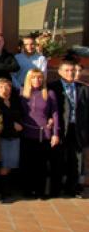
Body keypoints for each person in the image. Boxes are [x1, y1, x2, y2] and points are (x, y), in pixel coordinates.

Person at [47, 60, 88, 198]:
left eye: (73, 70)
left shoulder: (84, 88)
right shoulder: (52, 87)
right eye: (67, 70)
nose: (70, 73)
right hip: (60, 129)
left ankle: (72, 188)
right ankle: (56, 189)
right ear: (59, 72)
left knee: (76, 160)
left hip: (77, 129)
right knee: (57, 159)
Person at [19, 71, 60, 198]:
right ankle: (28, 190)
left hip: (44, 134)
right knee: (28, 164)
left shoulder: (49, 93)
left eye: (40, 78)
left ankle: (42, 191)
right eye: (34, 78)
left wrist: (55, 133)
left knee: (43, 165)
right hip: (27, 132)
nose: (37, 80)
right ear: (28, 79)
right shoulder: (21, 93)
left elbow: (55, 114)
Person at [0, 78, 24, 200]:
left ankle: (7, 188)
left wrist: (19, 124)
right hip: (2, 137)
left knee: (10, 164)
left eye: (7, 86)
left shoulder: (15, 101)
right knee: (3, 165)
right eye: (1, 87)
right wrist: (12, 124)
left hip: (14, 137)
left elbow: (21, 114)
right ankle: (1, 190)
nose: (4, 89)